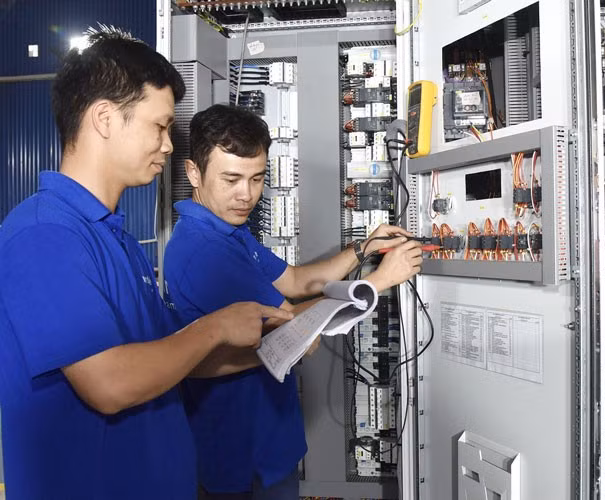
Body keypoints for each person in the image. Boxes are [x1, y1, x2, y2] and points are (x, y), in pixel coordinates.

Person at [0, 29, 292, 500]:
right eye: (159, 127)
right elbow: (110, 383)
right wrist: (216, 327)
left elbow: (172, 360)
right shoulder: (44, 234)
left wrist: (279, 344)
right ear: (105, 119)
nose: (169, 146)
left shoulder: (114, 237)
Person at [164, 103, 422, 499]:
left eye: (257, 178)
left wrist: (364, 247)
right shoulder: (202, 250)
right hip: (239, 456)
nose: (246, 195)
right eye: (231, 179)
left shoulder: (229, 232)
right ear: (194, 173)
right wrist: (381, 279)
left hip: (270, 441)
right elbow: (285, 326)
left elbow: (297, 281)